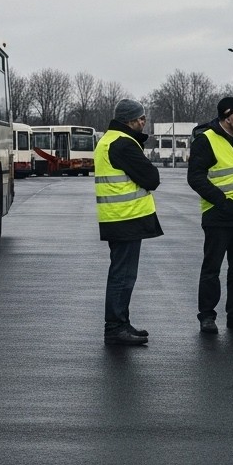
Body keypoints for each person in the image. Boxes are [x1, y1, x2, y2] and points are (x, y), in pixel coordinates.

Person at [188, 97, 233, 334]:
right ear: (226, 115)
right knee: (212, 268)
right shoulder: (205, 140)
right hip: (218, 215)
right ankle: (207, 316)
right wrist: (222, 201)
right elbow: (196, 178)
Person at [95, 98, 164, 346]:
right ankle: (115, 327)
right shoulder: (124, 144)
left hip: (118, 217)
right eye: (141, 118)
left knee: (122, 274)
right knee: (123, 276)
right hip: (126, 217)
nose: (144, 122)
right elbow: (151, 178)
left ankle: (121, 323)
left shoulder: (109, 140)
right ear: (130, 120)